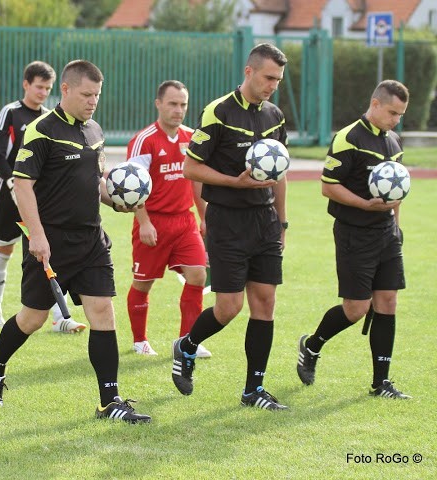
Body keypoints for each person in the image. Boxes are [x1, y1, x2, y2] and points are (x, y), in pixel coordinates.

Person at [0, 60, 151, 423]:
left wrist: (117, 201)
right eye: (87, 94)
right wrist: (37, 237)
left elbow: (95, 182)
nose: (93, 102)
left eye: (97, 96)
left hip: (91, 240)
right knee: (33, 318)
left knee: (103, 312)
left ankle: (110, 401)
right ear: (67, 90)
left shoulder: (94, 131)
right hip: (51, 243)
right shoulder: (42, 130)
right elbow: (22, 184)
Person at [171, 43, 289, 410]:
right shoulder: (218, 112)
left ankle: (253, 390)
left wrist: (282, 222)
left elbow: (279, 174)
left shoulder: (275, 116)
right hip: (228, 220)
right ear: (249, 72)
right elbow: (191, 168)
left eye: (278, 80)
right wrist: (233, 182)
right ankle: (186, 346)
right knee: (229, 307)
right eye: (269, 77)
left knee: (265, 303)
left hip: (265, 221)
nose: (273, 85)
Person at [297, 80, 411, 399]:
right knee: (357, 307)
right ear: (375, 104)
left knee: (388, 302)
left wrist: (396, 228)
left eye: (400, 114)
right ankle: (312, 345)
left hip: (386, 233)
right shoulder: (348, 138)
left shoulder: (394, 142)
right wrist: (364, 204)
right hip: (354, 233)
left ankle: (381, 383)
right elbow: (328, 186)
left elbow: (396, 195)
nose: (395, 120)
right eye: (392, 112)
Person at [0, 61, 86, 334]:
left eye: (48, 88)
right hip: (8, 197)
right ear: (26, 84)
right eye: (39, 87)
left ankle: (60, 318)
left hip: (40, 199)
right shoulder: (11, 112)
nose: (43, 92)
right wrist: (10, 181)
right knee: (3, 250)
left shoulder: (49, 118)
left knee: (47, 253)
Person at [125, 80, 211, 358]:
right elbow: (132, 185)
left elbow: (197, 182)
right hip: (153, 221)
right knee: (143, 283)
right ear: (158, 104)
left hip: (184, 222)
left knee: (197, 275)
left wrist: (204, 217)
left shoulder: (192, 138)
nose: (178, 110)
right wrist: (145, 221)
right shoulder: (144, 139)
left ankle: (187, 342)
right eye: (172, 104)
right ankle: (140, 341)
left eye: (183, 104)